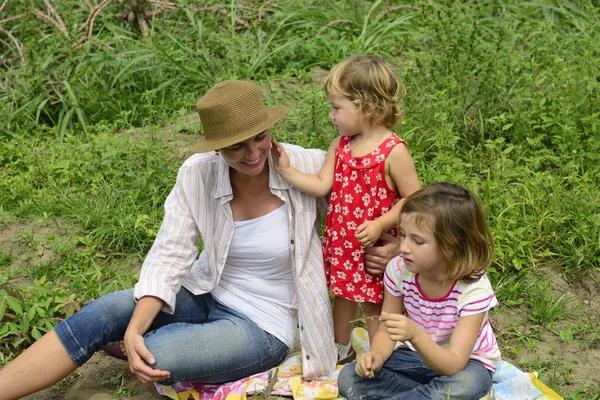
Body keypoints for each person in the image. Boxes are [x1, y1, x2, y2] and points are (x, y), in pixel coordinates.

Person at [0, 80, 400, 400]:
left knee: (159, 355)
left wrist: (395, 247)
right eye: (235, 147)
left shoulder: (310, 166)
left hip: (264, 324)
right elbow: (170, 253)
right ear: (216, 147)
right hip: (205, 289)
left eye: (259, 137)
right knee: (103, 313)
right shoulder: (198, 173)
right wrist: (134, 327)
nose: (252, 153)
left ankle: (136, 347)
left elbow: (394, 205)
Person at [271, 55, 420, 362]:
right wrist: (287, 171)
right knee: (343, 296)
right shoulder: (341, 145)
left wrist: (381, 224)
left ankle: (384, 353)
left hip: (372, 244)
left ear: (367, 106)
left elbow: (414, 199)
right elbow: (323, 185)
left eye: (337, 107)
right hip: (342, 244)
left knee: (375, 303)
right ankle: (341, 349)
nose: (331, 115)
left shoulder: (393, 151)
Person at [337, 182, 502, 399]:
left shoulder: (473, 288)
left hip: (468, 364)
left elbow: (454, 364)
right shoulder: (399, 269)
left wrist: (415, 334)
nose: (403, 247)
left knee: (466, 384)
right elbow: (386, 331)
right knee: (349, 376)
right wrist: (375, 356)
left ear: (450, 246)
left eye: (417, 240)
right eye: (403, 235)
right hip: (414, 358)